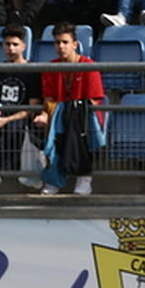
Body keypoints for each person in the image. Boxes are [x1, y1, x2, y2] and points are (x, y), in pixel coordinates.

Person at [33, 20, 103, 195]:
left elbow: (94, 101)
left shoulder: (89, 67)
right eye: (57, 42)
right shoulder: (50, 68)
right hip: (59, 117)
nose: (61, 46)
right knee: (54, 131)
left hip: (84, 118)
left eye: (65, 42)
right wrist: (45, 113)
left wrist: (69, 110)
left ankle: (84, 178)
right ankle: (54, 180)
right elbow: (49, 98)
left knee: (76, 125)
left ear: (75, 44)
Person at [0, 22, 42, 193]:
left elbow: (32, 108)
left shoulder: (32, 72)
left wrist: (6, 119)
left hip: (20, 120)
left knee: (13, 129)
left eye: (15, 44)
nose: (11, 48)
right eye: (7, 44)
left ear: (23, 46)